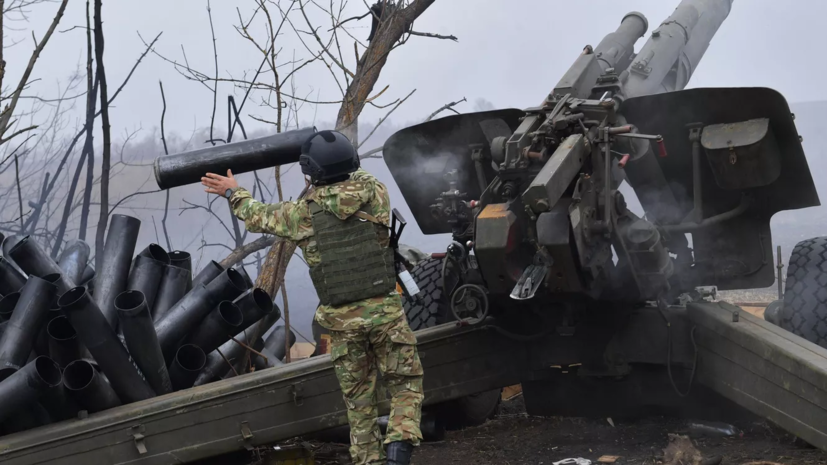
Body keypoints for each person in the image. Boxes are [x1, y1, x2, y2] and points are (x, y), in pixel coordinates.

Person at [201, 130, 424, 465]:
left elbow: (256, 214)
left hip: (343, 325)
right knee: (405, 385)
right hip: (386, 315)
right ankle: (398, 451)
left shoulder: (301, 215)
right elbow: (356, 172)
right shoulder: (375, 191)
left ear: (311, 173)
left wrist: (233, 192)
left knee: (358, 403)